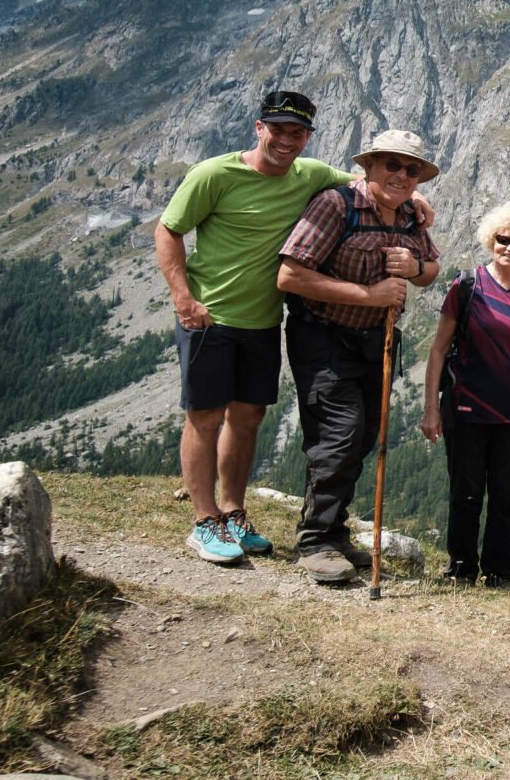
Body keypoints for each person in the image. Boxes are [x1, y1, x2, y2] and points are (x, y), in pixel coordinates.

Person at [155, 90, 373, 566]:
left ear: (308, 137)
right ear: (259, 128)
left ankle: (233, 511)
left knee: (247, 417)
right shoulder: (214, 174)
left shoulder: (310, 175)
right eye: (277, 130)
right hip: (209, 316)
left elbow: (365, 184)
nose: (286, 140)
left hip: (263, 321)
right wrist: (182, 299)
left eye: (297, 133)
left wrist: (419, 201)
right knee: (206, 417)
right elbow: (168, 230)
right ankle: (203, 520)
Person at [277, 129, 442, 584]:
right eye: (392, 164)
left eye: (411, 169)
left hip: (377, 342)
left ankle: (333, 528)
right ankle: (315, 541)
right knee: (340, 432)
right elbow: (290, 275)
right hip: (324, 335)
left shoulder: (411, 216)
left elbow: (431, 269)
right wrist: (369, 295)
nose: (402, 175)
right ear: (368, 165)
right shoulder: (335, 206)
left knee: (366, 433)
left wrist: (415, 268)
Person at [419, 201, 510, 587]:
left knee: (507, 496)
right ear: (490, 239)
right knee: (465, 492)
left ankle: (499, 572)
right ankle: (461, 567)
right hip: (464, 406)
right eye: (503, 239)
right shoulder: (466, 285)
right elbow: (438, 348)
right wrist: (431, 408)